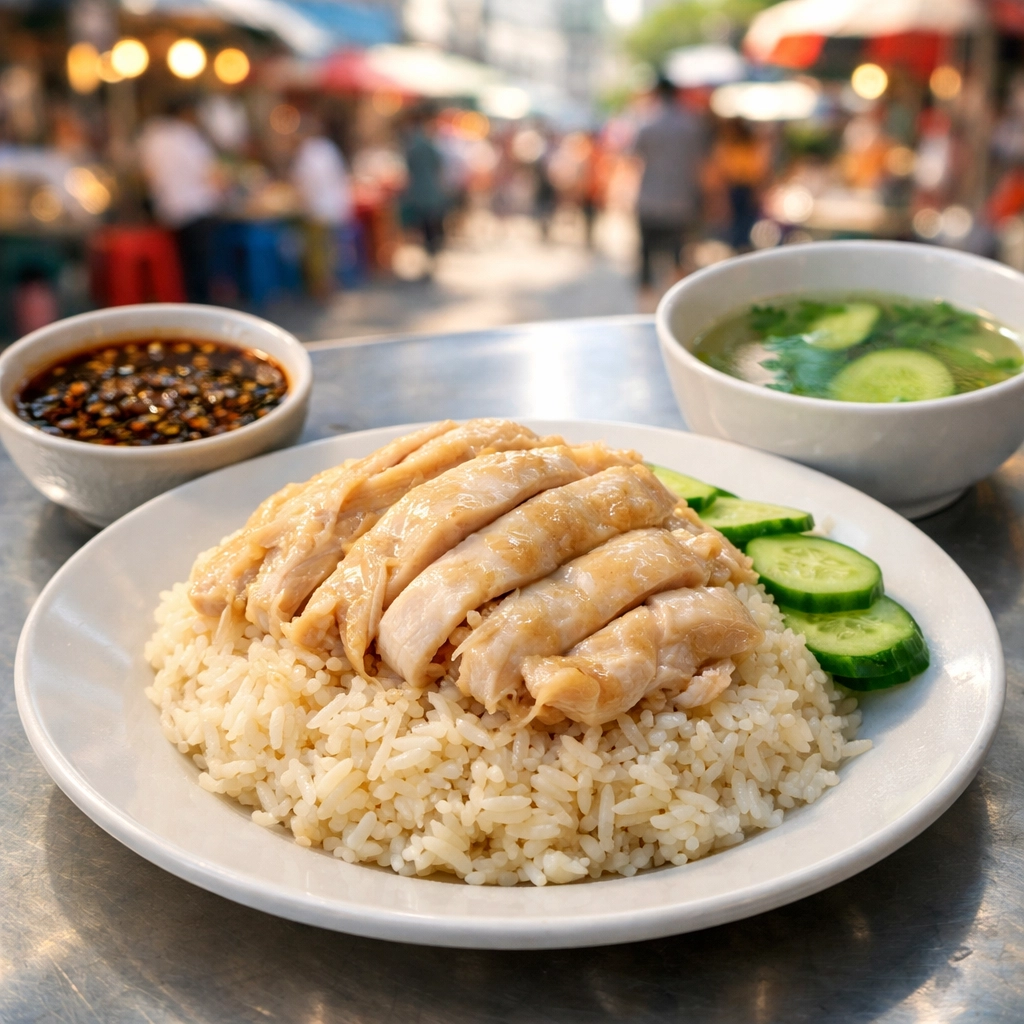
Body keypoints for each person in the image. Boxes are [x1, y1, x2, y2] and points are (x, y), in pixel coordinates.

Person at [138, 97, 222, 304]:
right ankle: (201, 309)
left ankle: (183, 307)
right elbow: (209, 173)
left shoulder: (151, 137)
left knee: (178, 267)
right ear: (186, 113)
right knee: (198, 267)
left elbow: (147, 176)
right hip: (195, 209)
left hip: (166, 211)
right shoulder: (189, 137)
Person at [633, 76, 705, 290]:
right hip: (682, 203)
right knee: (678, 257)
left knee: (646, 260)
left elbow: (635, 161)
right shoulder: (692, 125)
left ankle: (644, 311)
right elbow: (701, 167)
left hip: (649, 201)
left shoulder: (647, 125)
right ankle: (674, 303)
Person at [291, 115, 353, 298]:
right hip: (333, 205)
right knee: (329, 248)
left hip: (317, 208)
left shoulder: (307, 152)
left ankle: (322, 286)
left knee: (318, 251)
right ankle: (329, 282)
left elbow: (304, 182)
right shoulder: (327, 148)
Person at [708, 118, 768, 251]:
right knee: (734, 225)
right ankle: (738, 248)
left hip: (746, 189)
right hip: (734, 189)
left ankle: (741, 248)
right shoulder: (727, 145)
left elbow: (758, 171)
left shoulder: (748, 146)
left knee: (746, 223)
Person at [399, 105, 448, 268]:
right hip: (431, 192)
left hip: (420, 192)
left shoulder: (413, 145)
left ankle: (430, 255)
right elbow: (438, 166)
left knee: (424, 226)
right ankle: (432, 255)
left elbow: (409, 170)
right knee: (431, 225)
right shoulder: (427, 143)